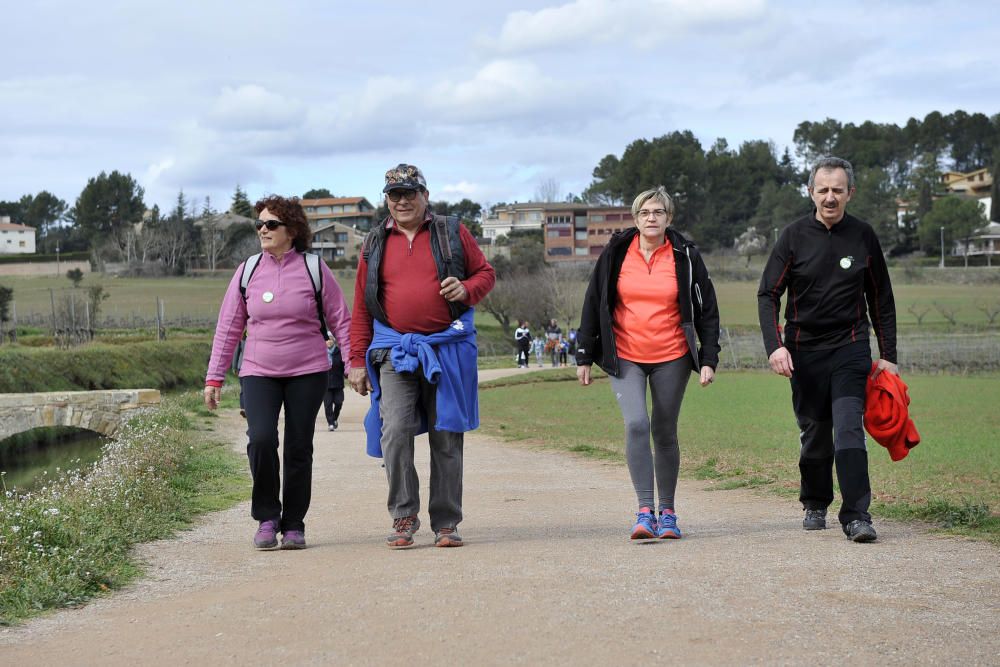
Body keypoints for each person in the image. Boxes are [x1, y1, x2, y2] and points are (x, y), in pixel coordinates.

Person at [348, 163, 495, 549]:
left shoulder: (451, 231)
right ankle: (403, 514)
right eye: (394, 195)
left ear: (425, 195)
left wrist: (465, 289)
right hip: (394, 351)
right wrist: (355, 360)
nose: (402, 201)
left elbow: (485, 274)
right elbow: (362, 305)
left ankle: (446, 521)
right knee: (395, 430)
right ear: (387, 200)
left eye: (409, 193)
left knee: (446, 435)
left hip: (447, 349)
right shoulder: (374, 242)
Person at [757, 156, 897, 543]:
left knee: (849, 427)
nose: (830, 197)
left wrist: (888, 355)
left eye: (838, 190)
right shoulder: (793, 236)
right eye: (823, 189)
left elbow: (880, 298)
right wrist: (776, 347)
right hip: (803, 352)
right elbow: (768, 293)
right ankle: (815, 501)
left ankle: (856, 515)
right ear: (811, 192)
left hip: (850, 347)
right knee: (815, 432)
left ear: (850, 192)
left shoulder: (863, 236)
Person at [204, 195, 352, 551]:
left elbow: (341, 321)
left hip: (308, 370)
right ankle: (267, 517)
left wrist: (353, 364)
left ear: (292, 230)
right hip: (258, 370)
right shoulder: (248, 270)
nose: (263, 230)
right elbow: (228, 327)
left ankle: (295, 524)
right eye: (259, 224)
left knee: (299, 447)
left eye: (271, 224)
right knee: (261, 439)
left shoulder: (316, 269)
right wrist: (214, 377)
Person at [576, 186, 720, 540]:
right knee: (637, 424)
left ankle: (667, 513)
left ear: (669, 218)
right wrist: (584, 354)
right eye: (644, 213)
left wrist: (709, 358)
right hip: (625, 354)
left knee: (664, 430)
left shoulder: (685, 256)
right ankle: (644, 511)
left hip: (672, 355)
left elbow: (708, 311)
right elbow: (594, 301)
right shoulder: (616, 252)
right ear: (635, 218)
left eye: (658, 212)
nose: (651, 218)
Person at [324, 336, 345, 431]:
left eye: (330, 339)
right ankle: (331, 423)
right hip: (325, 383)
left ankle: (335, 418)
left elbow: (344, 366)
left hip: (338, 382)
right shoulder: (322, 352)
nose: (328, 342)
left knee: (338, 402)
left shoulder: (339, 352)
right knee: (327, 404)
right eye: (327, 340)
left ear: (333, 341)